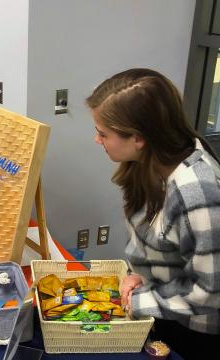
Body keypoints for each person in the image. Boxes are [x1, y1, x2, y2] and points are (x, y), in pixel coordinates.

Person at [86, 68, 220, 358]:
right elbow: (163, 245)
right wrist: (139, 274)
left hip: (194, 334)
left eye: (102, 133)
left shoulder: (199, 193)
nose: (97, 140)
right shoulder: (150, 164)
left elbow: (210, 292)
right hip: (165, 311)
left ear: (138, 138)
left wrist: (142, 301)